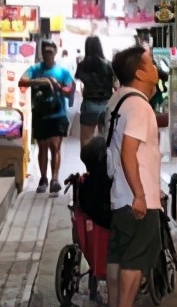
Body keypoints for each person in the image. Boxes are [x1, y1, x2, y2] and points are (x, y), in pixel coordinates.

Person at [104, 45, 163, 307]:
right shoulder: (140, 106)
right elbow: (129, 153)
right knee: (136, 259)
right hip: (136, 197)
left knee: (118, 254)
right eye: (151, 63)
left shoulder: (118, 100)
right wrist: (141, 195)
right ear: (140, 72)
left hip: (119, 195)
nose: (155, 68)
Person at [19, 41, 74, 194]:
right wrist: (38, 81)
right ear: (42, 53)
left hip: (58, 115)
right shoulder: (35, 69)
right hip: (40, 115)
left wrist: (58, 86)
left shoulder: (62, 72)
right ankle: (43, 179)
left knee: (55, 148)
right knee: (42, 148)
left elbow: (70, 88)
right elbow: (21, 81)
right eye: (45, 51)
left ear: (55, 53)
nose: (48, 54)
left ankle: (54, 179)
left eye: (51, 51)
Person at [74, 36, 116, 144]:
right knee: (106, 140)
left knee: (86, 141)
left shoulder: (82, 65)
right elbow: (116, 85)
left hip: (89, 105)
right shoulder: (109, 64)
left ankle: (89, 161)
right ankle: (102, 160)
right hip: (107, 105)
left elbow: (79, 82)